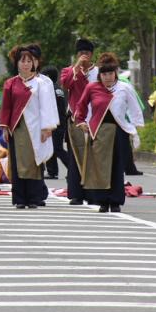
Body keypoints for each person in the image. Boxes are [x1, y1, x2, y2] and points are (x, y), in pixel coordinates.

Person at [75, 53, 144, 212]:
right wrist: (81, 122)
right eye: (104, 74)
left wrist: (135, 130)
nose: (107, 77)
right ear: (100, 74)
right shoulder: (92, 87)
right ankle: (102, 201)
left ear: (116, 73)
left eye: (110, 73)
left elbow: (135, 110)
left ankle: (115, 201)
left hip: (119, 132)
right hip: (98, 132)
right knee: (101, 167)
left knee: (117, 167)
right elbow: (81, 106)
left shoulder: (124, 88)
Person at [0, 45, 57, 209]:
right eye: (22, 61)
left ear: (34, 63)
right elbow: (7, 107)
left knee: (35, 162)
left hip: (36, 128)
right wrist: (4, 128)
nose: (25, 64)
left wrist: (47, 127)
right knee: (17, 163)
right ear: (17, 63)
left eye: (28, 61)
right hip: (17, 128)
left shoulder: (41, 83)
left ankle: (34, 197)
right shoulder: (11, 83)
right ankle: (19, 198)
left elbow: (46, 106)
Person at [60, 38, 98, 205]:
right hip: (76, 119)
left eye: (87, 53)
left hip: (95, 118)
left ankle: (92, 192)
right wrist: (77, 67)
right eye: (81, 53)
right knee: (75, 157)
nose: (84, 56)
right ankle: (76, 193)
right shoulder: (69, 70)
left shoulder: (99, 72)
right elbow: (66, 84)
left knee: (93, 157)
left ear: (92, 55)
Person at [41, 65, 69, 180]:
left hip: (56, 123)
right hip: (60, 122)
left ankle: (73, 168)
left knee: (57, 148)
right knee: (51, 147)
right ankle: (52, 171)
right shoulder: (58, 89)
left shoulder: (50, 89)